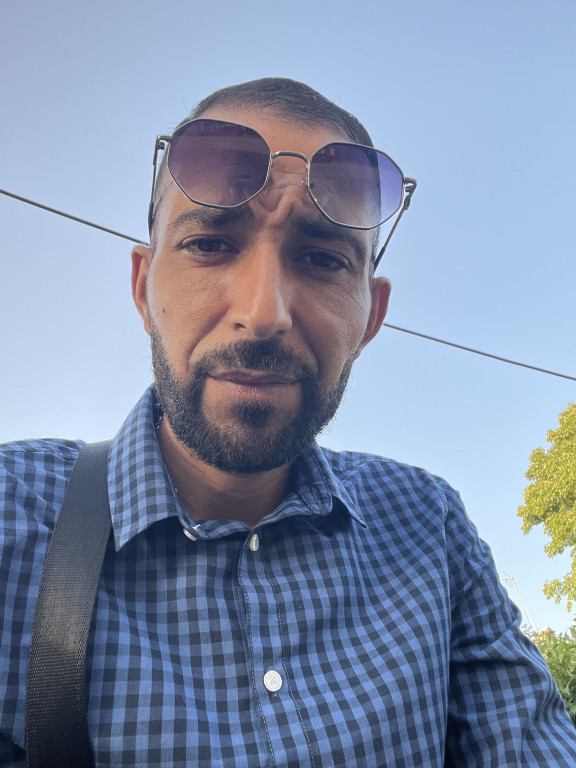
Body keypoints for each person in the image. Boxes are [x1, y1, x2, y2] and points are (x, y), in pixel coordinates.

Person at [1, 78, 575, 768]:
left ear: (371, 316)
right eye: (210, 244)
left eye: (322, 259)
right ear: (143, 289)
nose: (263, 312)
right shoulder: (11, 518)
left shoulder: (432, 531)